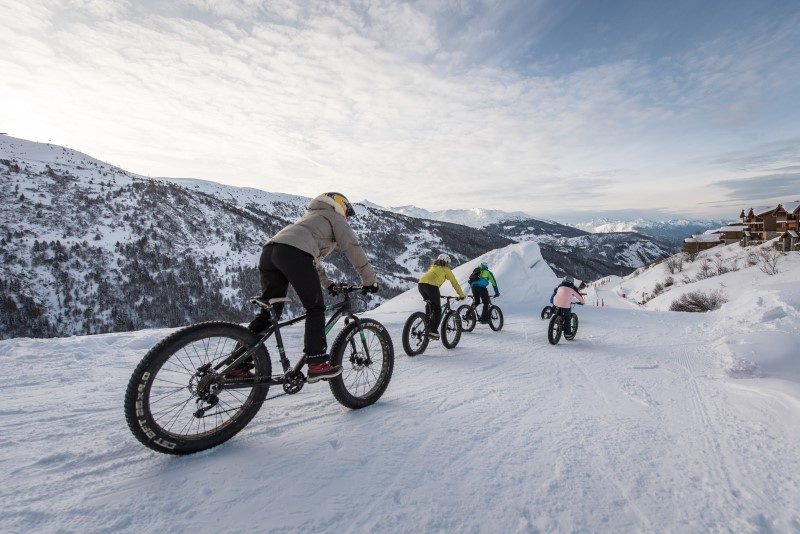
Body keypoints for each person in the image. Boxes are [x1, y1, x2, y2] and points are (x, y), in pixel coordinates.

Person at [240, 192, 378, 383]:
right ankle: (316, 362)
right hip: (293, 254)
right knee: (315, 308)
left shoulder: (310, 218)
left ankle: (238, 365)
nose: (347, 216)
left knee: (269, 313)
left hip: (270, 252)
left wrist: (327, 284)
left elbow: (310, 259)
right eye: (346, 211)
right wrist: (370, 280)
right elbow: (352, 247)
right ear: (339, 205)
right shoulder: (334, 217)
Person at [418, 254, 465, 339]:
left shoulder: (433, 267)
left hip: (421, 285)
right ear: (446, 262)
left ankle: (427, 322)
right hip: (431, 287)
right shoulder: (446, 269)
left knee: (429, 305)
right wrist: (461, 295)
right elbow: (454, 283)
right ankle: (433, 331)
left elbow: (431, 278)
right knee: (437, 309)